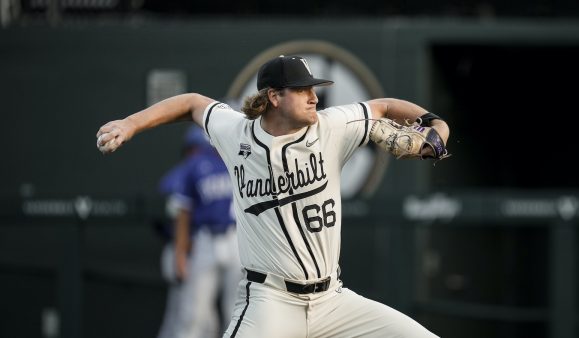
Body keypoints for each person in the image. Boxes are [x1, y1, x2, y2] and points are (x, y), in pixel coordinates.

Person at [97, 55, 450, 338]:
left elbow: (383, 107)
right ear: (275, 97)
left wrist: (436, 124)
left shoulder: (332, 126)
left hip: (333, 300)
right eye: (301, 90)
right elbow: (190, 103)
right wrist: (130, 123)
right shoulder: (236, 133)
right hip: (271, 301)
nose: (314, 97)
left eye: (314, 88)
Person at [155, 125, 242, 338]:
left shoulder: (240, 159)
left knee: (237, 312)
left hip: (236, 238)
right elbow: (181, 213)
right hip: (203, 240)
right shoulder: (193, 167)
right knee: (193, 314)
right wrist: (180, 252)